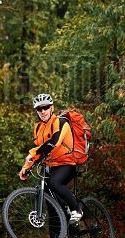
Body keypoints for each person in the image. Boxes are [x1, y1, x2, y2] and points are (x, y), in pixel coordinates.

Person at [19, 93, 83, 224]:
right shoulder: (37, 128)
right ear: (36, 111)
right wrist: (26, 167)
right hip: (51, 166)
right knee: (51, 204)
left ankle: (77, 209)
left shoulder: (60, 122)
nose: (43, 111)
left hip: (67, 163)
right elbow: (37, 150)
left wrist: (33, 153)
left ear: (52, 108)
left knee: (55, 183)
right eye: (39, 109)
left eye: (46, 107)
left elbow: (54, 142)